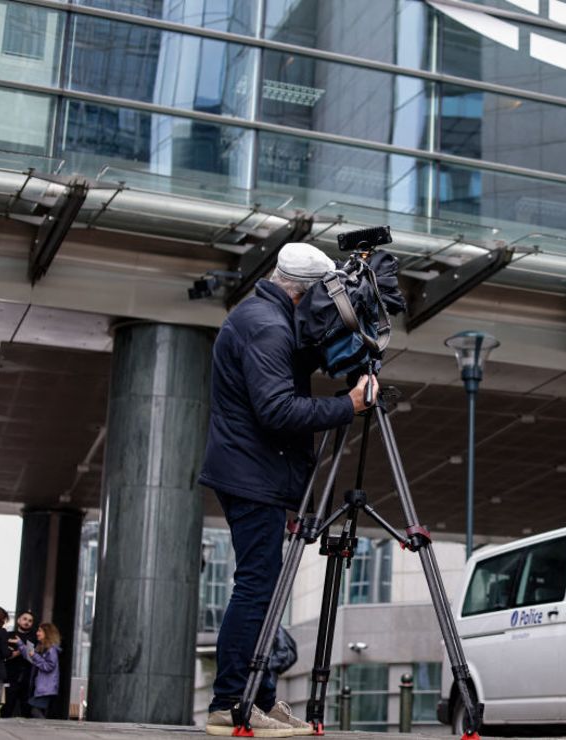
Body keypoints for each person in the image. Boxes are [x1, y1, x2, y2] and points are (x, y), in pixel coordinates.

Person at [199, 243, 375, 737]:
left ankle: (259, 698)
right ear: (306, 294)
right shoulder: (267, 327)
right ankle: (230, 702)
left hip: (257, 471)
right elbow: (278, 410)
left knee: (265, 588)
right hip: (251, 474)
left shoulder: (269, 318)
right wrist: (350, 406)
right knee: (256, 586)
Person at [17, 622, 60, 719]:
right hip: (41, 687)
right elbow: (31, 657)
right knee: (34, 709)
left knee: (34, 710)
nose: (37, 633)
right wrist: (20, 644)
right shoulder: (42, 648)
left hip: (45, 688)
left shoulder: (51, 650)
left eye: (40, 631)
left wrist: (34, 655)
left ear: (47, 633)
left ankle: (44, 727)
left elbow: (48, 667)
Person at [1, 610, 36, 718]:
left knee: (26, 710)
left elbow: (34, 657)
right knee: (7, 708)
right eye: (25, 619)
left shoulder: (34, 638)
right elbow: (5, 654)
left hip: (28, 678)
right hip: (10, 677)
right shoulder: (9, 635)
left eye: (30, 621)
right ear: (18, 620)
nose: (27, 622)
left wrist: (19, 650)